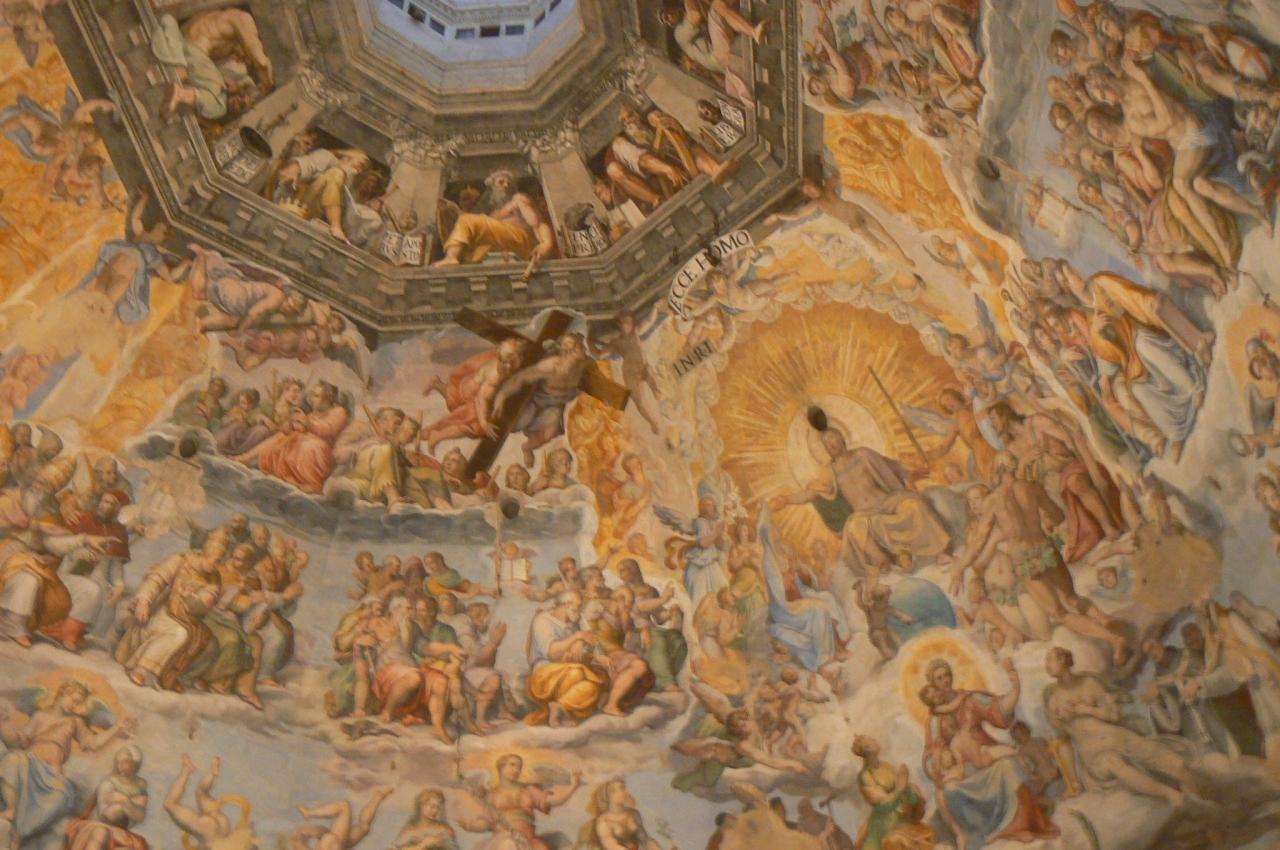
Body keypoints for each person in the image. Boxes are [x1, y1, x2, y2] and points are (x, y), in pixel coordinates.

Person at [949, 452, 1128, 663]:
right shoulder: (1032, 487)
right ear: (1014, 466)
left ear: (997, 471)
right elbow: (1057, 516)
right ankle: (1104, 619)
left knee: (1059, 613)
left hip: (1025, 561)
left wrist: (959, 568)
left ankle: (1114, 639)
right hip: (1045, 550)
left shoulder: (994, 501)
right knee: (1071, 597)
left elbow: (979, 540)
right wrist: (1041, 521)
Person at [771, 425, 949, 582]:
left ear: (842, 438)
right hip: (864, 513)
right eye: (826, 444)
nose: (830, 445)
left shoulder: (863, 454)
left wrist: (909, 473)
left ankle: (938, 552)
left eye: (832, 439)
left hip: (888, 501)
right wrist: (786, 500)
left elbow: (891, 465)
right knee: (854, 528)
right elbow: (810, 493)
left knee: (914, 505)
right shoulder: (829, 471)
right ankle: (884, 563)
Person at [1044, 647, 1194, 807]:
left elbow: (1114, 714)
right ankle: (1169, 794)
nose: (1046, 665)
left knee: (1178, 764)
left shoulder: (1089, 683)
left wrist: (1087, 709)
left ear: (1062, 660)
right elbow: (1064, 742)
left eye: (1049, 659)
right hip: (1094, 752)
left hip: (1118, 737)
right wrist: (1073, 783)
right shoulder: (1053, 699)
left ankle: (1199, 800)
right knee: (1115, 764)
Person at [0, 680, 136, 846]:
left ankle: (19, 832)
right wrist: (3, 724)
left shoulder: (74, 722)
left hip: (52, 775)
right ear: (63, 693)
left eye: (79, 703)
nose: (75, 705)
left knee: (61, 796)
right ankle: (11, 809)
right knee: (12, 758)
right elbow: (17, 741)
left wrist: (116, 728)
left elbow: (92, 743)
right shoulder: (40, 715)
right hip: (29, 764)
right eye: (74, 700)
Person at [766, 175, 913, 268]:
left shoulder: (828, 188)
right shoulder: (817, 203)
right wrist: (777, 216)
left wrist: (834, 172)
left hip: (858, 211)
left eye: (809, 186)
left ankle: (905, 257)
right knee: (856, 229)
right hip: (852, 220)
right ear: (807, 196)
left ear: (814, 183)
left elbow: (839, 175)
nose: (810, 191)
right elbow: (796, 215)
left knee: (885, 234)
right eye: (807, 191)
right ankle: (876, 243)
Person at [151, 8, 273, 120]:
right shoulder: (245, 20)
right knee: (218, 105)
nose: (243, 59)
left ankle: (179, 88)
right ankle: (180, 94)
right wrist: (268, 85)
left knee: (212, 86)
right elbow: (261, 62)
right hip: (193, 48)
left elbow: (207, 68)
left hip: (186, 43)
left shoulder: (223, 19)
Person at [492, 333, 589, 467]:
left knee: (549, 434)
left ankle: (527, 448)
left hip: (555, 405)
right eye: (581, 347)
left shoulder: (583, 365)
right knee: (515, 425)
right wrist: (502, 395)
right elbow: (521, 378)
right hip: (537, 400)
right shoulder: (552, 365)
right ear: (569, 351)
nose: (585, 350)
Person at [235, 381, 349, 494]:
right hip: (304, 441)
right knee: (282, 436)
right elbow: (302, 429)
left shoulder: (339, 411)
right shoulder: (313, 413)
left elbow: (328, 429)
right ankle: (246, 458)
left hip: (322, 450)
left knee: (306, 446)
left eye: (316, 395)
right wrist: (292, 424)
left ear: (328, 398)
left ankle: (312, 484)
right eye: (312, 395)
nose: (312, 399)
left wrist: (307, 423)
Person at [422, 338, 525, 454]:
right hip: (469, 395)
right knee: (476, 427)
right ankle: (437, 436)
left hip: (468, 384)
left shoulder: (507, 363)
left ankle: (437, 384)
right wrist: (484, 423)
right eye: (505, 362)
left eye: (513, 362)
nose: (509, 366)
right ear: (500, 358)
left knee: (456, 402)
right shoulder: (495, 376)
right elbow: (481, 399)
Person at [433, 170, 556, 267]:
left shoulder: (518, 199)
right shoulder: (493, 214)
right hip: (504, 245)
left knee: (467, 220)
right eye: (501, 182)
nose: (506, 185)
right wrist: (452, 209)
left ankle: (451, 257)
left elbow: (538, 223)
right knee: (473, 248)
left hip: (521, 241)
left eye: (509, 184)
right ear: (492, 188)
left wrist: (546, 244)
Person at [458, 754, 582, 850]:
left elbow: (551, 801)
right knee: (509, 845)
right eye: (512, 765)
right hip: (503, 839)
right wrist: (470, 826)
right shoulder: (492, 795)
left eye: (519, 767)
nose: (516, 769)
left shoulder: (529, 791)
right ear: (501, 767)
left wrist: (573, 787)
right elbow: (486, 822)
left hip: (529, 840)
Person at [525, 592, 607, 727]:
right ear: (567, 605)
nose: (580, 610)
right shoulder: (543, 620)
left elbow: (591, 640)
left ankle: (559, 707)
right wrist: (577, 637)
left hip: (572, 669)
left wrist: (583, 645)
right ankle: (566, 712)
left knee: (593, 686)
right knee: (577, 673)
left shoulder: (576, 618)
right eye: (578, 606)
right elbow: (552, 652)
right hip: (544, 674)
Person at [850, 734, 934, 850]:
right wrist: (900, 788)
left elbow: (902, 788)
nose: (876, 740)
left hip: (901, 817)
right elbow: (882, 805)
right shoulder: (866, 775)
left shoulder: (886, 766)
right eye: (871, 740)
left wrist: (910, 790)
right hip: (884, 823)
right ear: (866, 749)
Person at [64, 745, 149, 850]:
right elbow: (107, 815)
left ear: (135, 763)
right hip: (100, 825)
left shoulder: (141, 785)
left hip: (121, 831)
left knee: (135, 846)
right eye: (119, 762)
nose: (121, 765)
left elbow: (140, 816)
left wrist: (124, 800)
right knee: (100, 833)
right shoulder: (109, 782)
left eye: (125, 762)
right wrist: (132, 803)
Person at [163, 756, 257, 850]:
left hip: (222, 826)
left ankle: (212, 774)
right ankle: (187, 770)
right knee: (171, 804)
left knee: (198, 793)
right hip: (211, 831)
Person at [576, 779, 668, 850]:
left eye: (624, 788)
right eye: (622, 788)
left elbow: (644, 838)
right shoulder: (604, 821)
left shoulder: (634, 813)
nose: (626, 791)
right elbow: (612, 846)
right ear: (611, 794)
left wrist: (656, 847)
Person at [292, 789, 393, 850]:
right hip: (333, 843)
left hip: (336, 844)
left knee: (363, 827)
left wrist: (305, 835)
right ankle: (309, 813)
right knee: (344, 807)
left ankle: (378, 797)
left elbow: (299, 840)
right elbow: (299, 840)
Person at [392, 789, 457, 850]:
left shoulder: (444, 830)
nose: (435, 810)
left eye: (438, 807)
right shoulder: (410, 830)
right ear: (422, 805)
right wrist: (421, 846)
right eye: (432, 806)